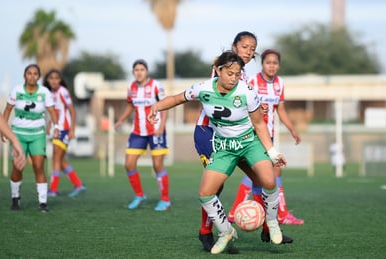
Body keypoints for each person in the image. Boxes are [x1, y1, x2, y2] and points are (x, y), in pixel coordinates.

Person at [148, 51, 287, 254]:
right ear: (218, 70)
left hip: (249, 143)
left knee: (268, 180)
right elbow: (178, 99)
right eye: (230, 73)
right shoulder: (203, 89)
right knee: (205, 193)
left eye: (238, 74)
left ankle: (272, 221)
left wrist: (272, 152)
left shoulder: (246, 91)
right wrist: (156, 106)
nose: (234, 78)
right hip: (224, 147)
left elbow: (259, 124)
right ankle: (226, 231)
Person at [195, 32, 293, 251]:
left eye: (252, 48)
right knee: (215, 186)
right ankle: (206, 233)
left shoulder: (243, 75)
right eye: (245, 47)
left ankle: (268, 227)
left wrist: (259, 108)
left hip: (238, 138)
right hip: (209, 133)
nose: (249, 51)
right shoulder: (225, 67)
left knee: (261, 178)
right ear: (233, 47)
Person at [227, 49, 304, 226]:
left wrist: (292, 129)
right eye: (268, 62)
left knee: (265, 172)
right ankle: (281, 215)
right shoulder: (252, 81)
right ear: (262, 64)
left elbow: (280, 109)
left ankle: (234, 212)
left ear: (279, 65)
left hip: (269, 135)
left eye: (275, 63)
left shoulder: (279, 83)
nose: (271, 66)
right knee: (269, 171)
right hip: (253, 134)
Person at [1, 64, 59, 212]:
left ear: (38, 77)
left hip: (37, 134)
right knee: (17, 167)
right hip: (18, 133)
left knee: (38, 166)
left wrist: (56, 127)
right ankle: (15, 197)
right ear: (24, 76)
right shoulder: (17, 90)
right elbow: (7, 110)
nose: (32, 76)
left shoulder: (44, 92)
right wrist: (4, 130)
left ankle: (43, 203)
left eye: (35, 74)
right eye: (29, 73)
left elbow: (52, 112)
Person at [114, 59, 170, 211]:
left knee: (157, 165)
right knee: (129, 163)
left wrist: (162, 126)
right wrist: (120, 120)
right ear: (133, 72)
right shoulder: (131, 87)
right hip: (138, 132)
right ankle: (139, 195)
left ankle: (165, 199)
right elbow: (130, 106)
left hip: (155, 130)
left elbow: (165, 106)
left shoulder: (156, 86)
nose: (139, 72)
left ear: (147, 71)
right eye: (136, 70)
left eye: (142, 69)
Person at [43, 69, 87, 198]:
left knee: (56, 158)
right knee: (61, 161)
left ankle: (53, 189)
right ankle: (79, 185)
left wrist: (72, 129)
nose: (54, 80)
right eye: (51, 78)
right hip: (58, 129)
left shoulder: (63, 91)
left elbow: (72, 111)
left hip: (64, 129)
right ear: (47, 80)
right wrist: (50, 124)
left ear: (60, 80)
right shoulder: (51, 93)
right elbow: (55, 112)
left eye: (57, 78)